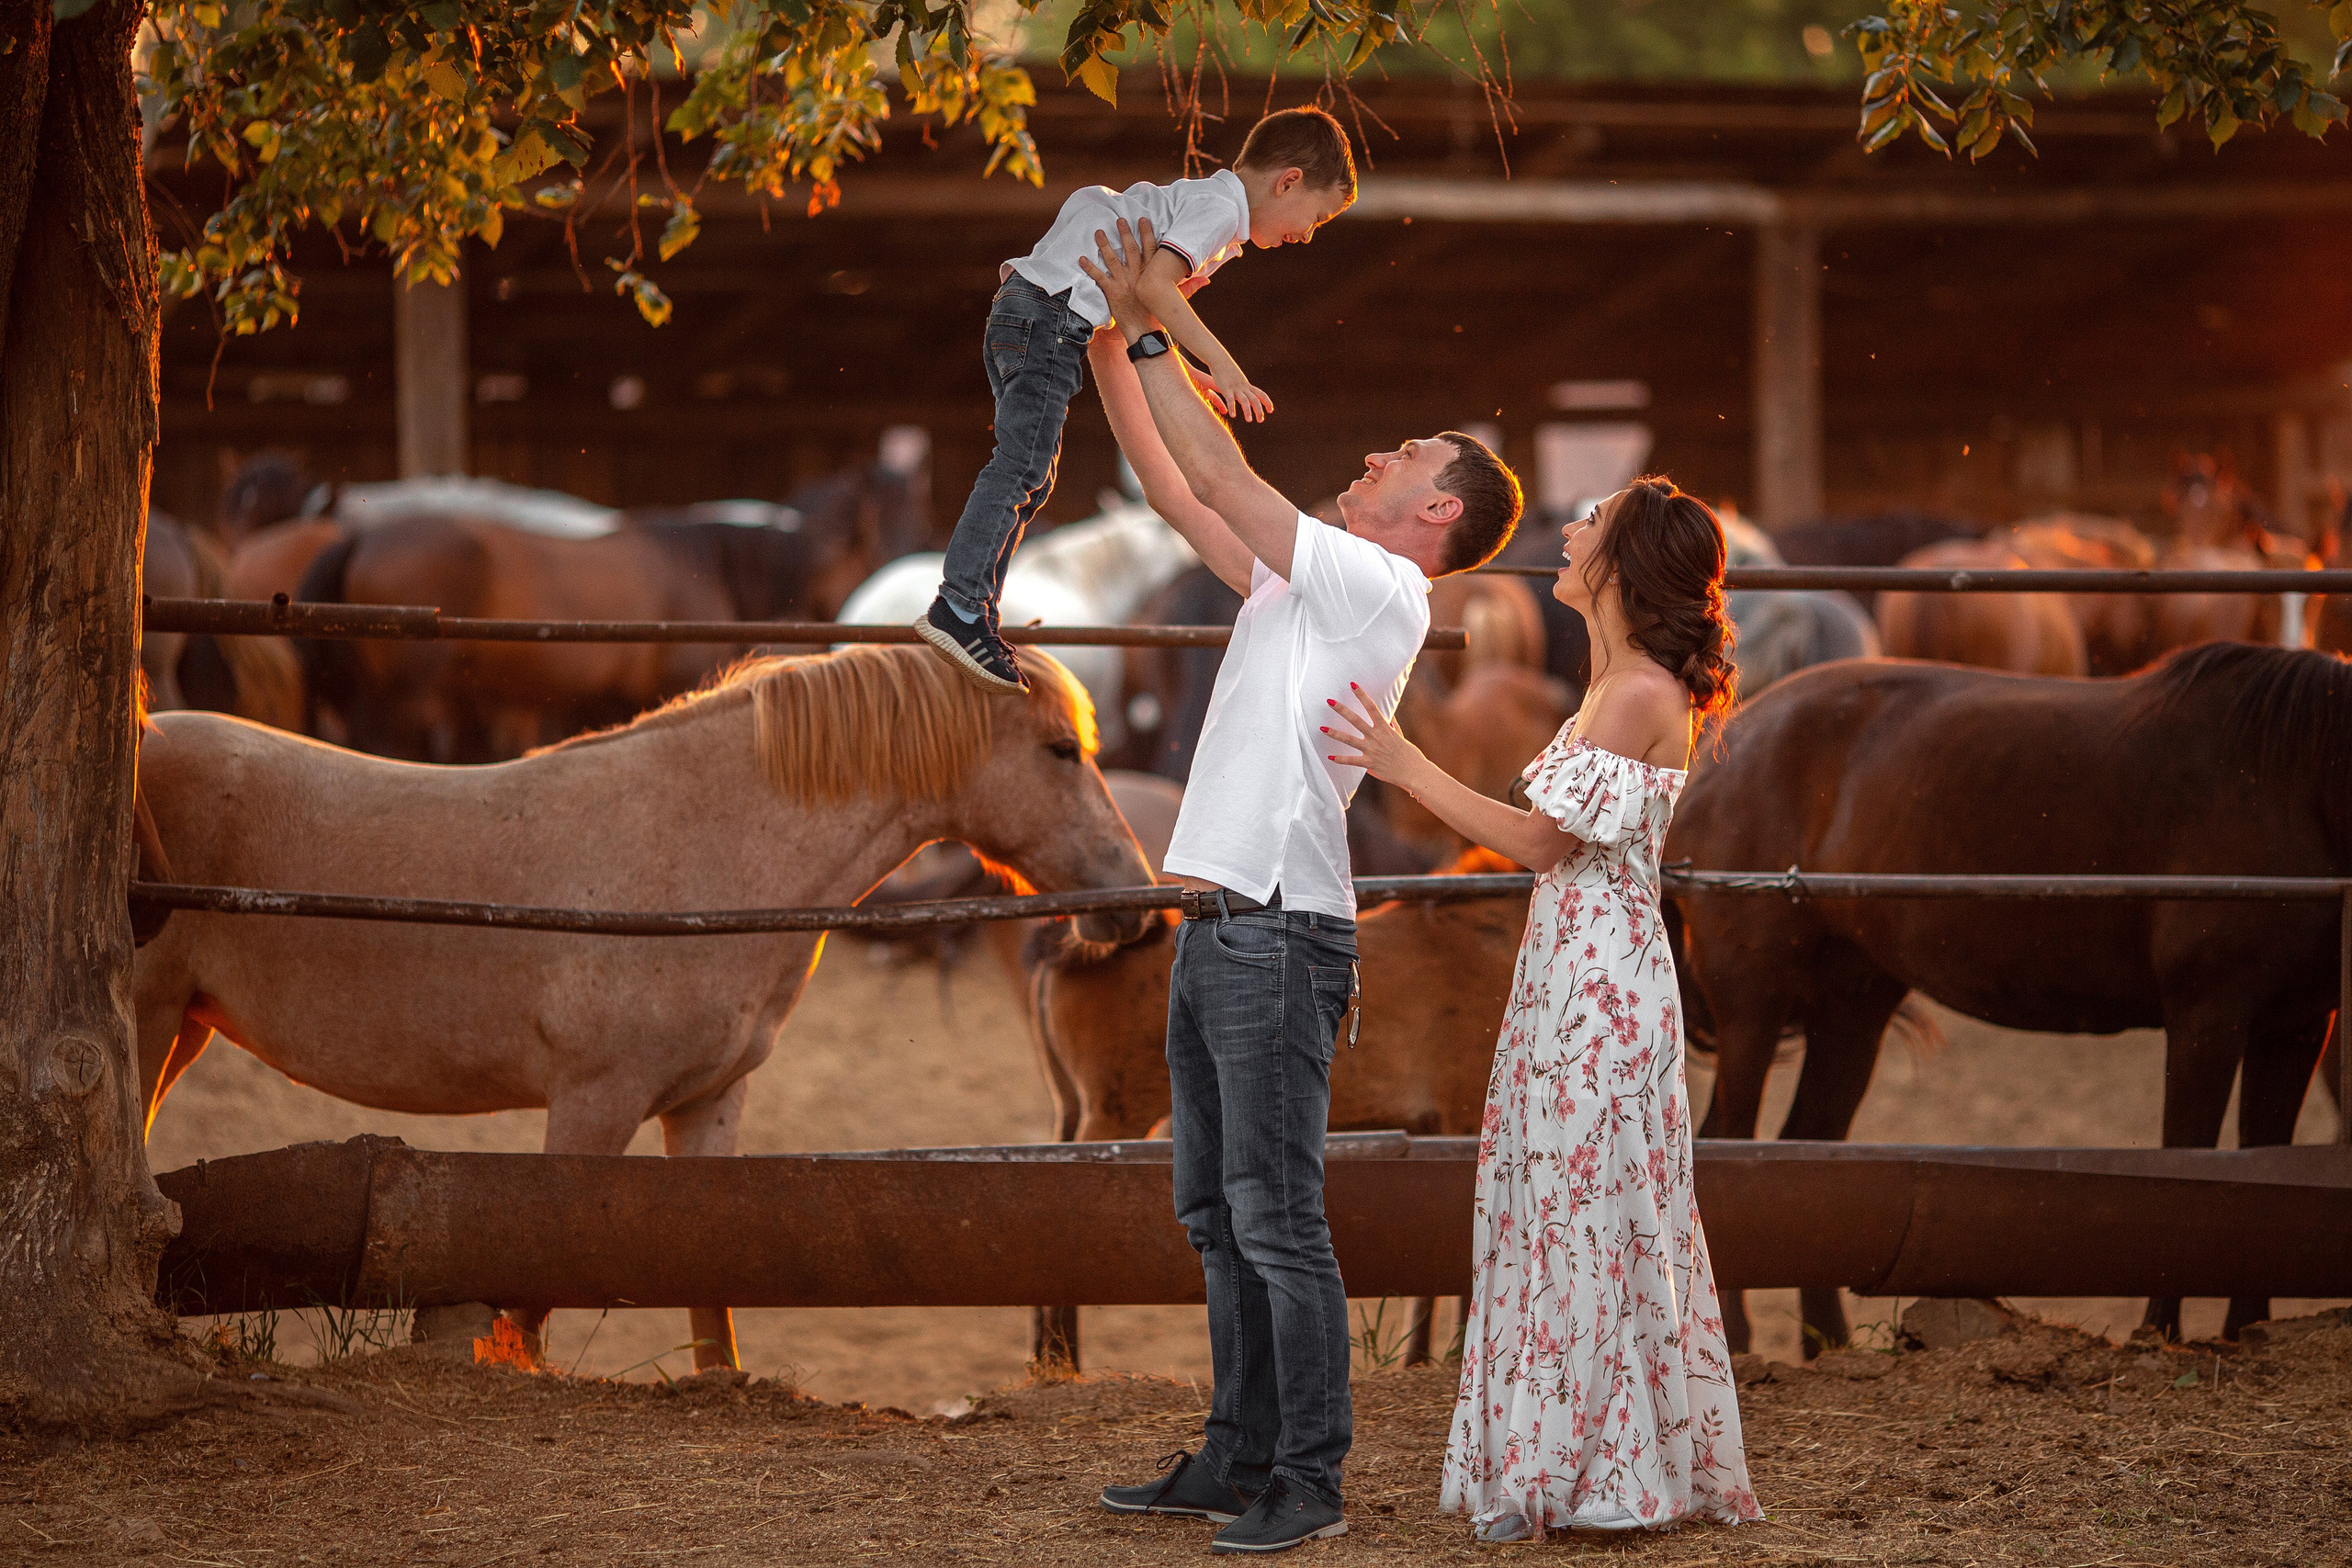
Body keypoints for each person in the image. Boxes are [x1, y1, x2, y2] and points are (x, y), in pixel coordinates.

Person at [1076, 218, 1523, 1554]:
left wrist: (1156, 326)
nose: (1380, 453)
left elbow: (1223, 460)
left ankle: (1309, 1478)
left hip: (1278, 925)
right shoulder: (1300, 584)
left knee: (1274, 1215)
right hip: (1222, 919)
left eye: (1409, 456)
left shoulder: (1378, 581)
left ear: (1435, 513)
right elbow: (1176, 486)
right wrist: (1112, 339)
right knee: (1215, 1209)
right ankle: (1237, 1453)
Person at [1323, 478, 1764, 1541]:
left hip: (1600, 987)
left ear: (1623, 565)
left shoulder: (1636, 694)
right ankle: (1574, 1461)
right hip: (1575, 974)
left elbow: (1535, 844)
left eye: (1590, 526)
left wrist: (1400, 761)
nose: (1566, 532)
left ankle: (1595, 1471)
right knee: (1570, 1217)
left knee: (1584, 1220)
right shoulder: (1611, 685)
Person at [915, 107, 1358, 694]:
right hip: (1048, 321)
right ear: (1290, 181)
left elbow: (1134, 309)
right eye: (1316, 218)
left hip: (1033, 317)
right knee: (1022, 466)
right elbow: (1151, 288)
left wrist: (1190, 376)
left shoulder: (1196, 207)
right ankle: (961, 605)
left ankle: (977, 610)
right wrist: (1223, 367)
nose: (1306, 234)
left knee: (1032, 473)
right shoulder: (1220, 210)